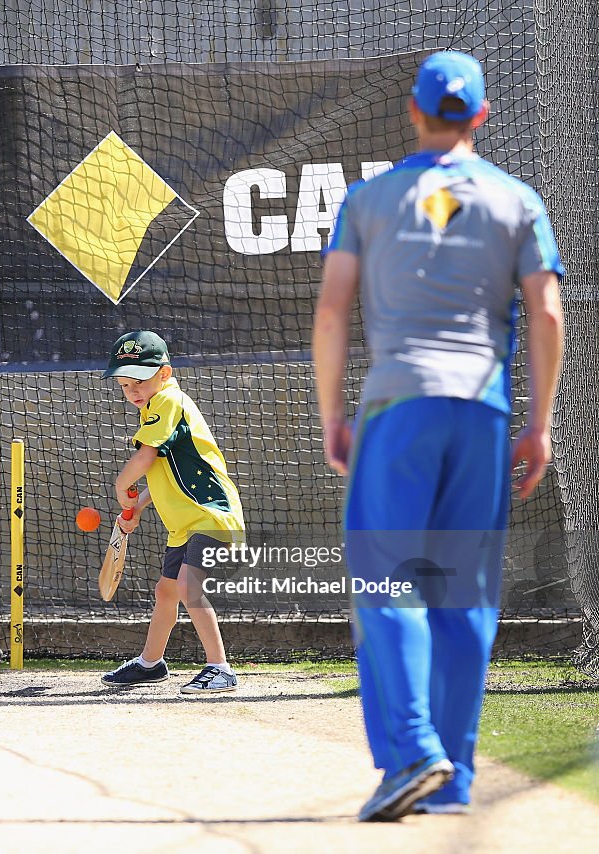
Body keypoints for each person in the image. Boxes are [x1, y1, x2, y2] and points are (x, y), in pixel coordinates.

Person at [313, 51, 564, 821]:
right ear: (481, 115)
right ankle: (451, 780)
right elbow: (548, 314)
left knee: (390, 584)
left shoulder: (370, 198)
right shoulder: (518, 199)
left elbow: (331, 313)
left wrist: (331, 416)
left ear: (414, 113)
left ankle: (413, 749)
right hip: (483, 414)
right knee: (464, 598)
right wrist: (539, 424)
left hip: (397, 408)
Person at [99, 330, 245, 694]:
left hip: (211, 514)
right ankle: (151, 663)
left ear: (164, 373)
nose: (132, 391)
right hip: (185, 524)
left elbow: (146, 456)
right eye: (124, 385)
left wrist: (121, 488)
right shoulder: (154, 409)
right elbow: (162, 472)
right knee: (166, 591)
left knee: (186, 586)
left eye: (139, 382)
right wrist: (137, 508)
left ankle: (220, 668)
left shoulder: (168, 401)